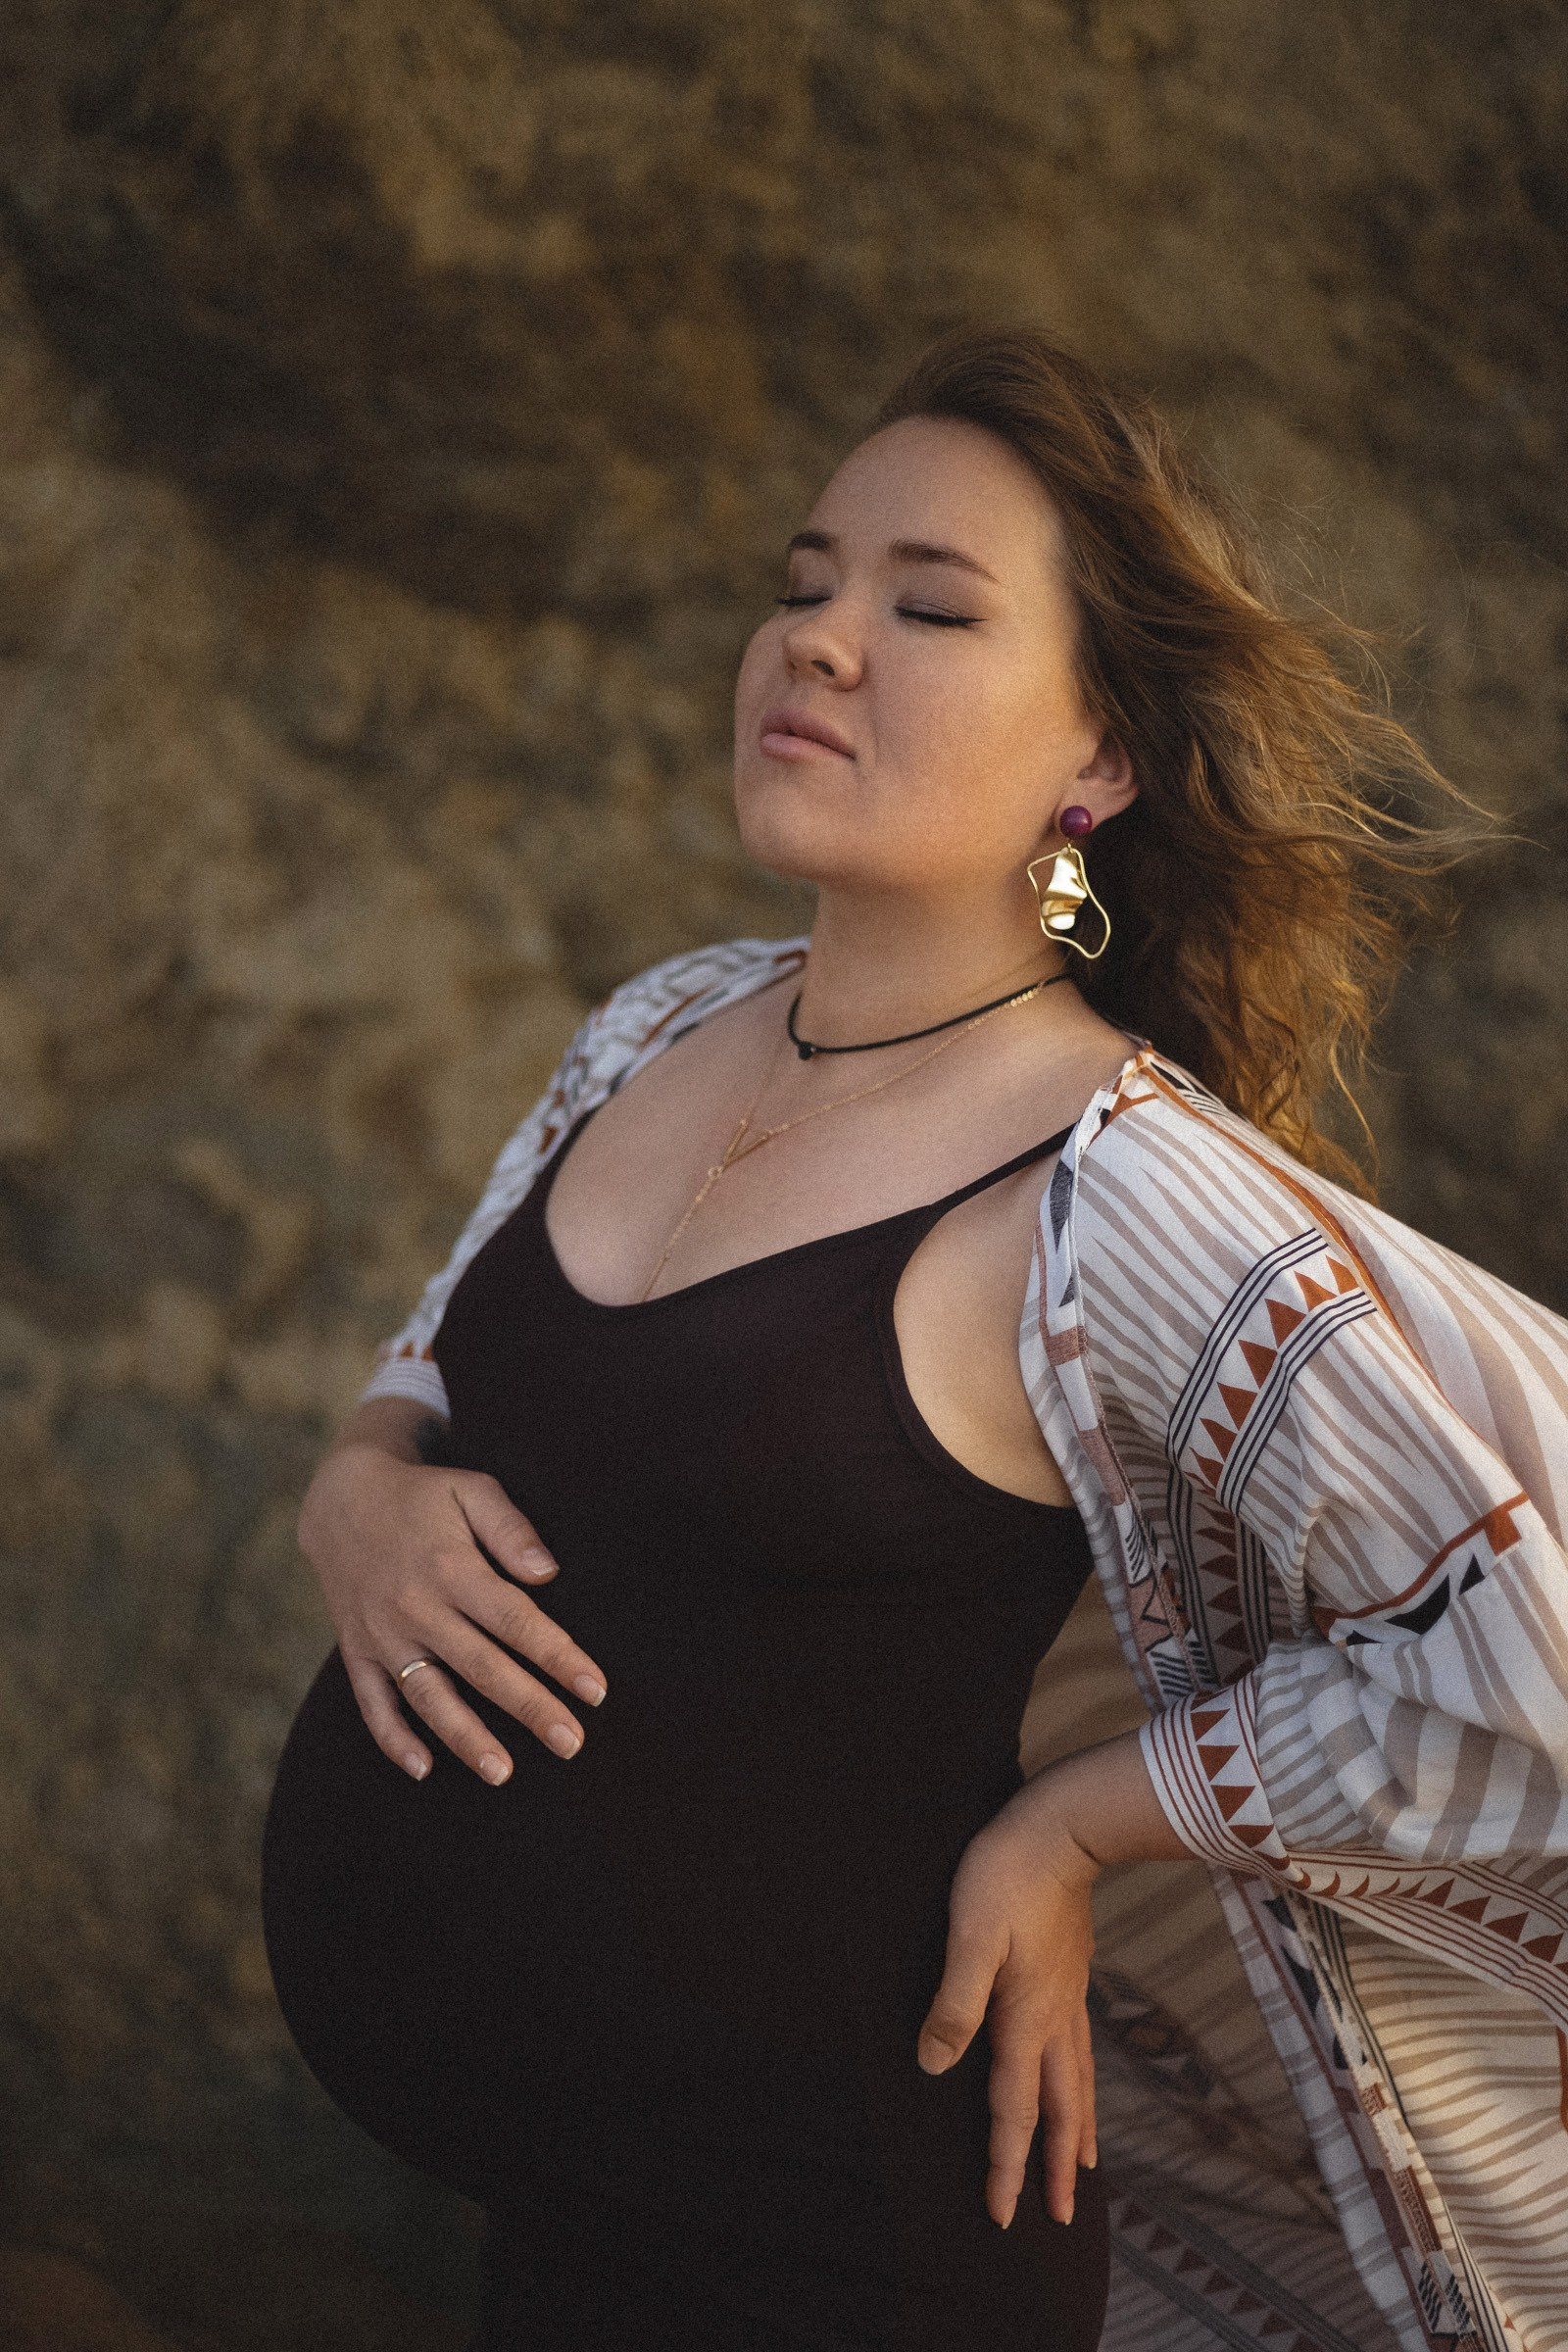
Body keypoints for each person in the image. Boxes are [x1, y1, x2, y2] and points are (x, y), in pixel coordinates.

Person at [261, 326, 1568, 2352]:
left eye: (929, 607)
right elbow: (441, 1354)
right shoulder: (655, 1025)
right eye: (803, 584)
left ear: (1098, 760)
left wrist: (1083, 1820)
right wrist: (354, 1483)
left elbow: (1525, 1655)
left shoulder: (1124, 1195)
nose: (816, 640)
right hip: (556, 2236)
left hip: (839, 2256)